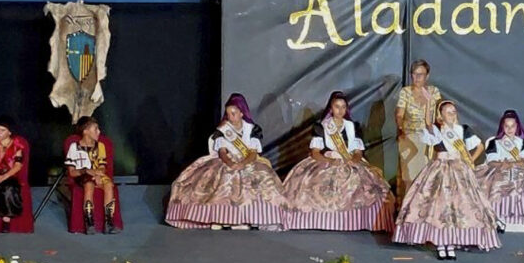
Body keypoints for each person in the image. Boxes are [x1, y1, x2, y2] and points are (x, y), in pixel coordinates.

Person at [393, 100, 499, 259]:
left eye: (453, 111)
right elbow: (428, 125)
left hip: (459, 169)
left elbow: (480, 146)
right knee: (439, 207)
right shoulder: (438, 130)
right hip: (440, 169)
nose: (452, 114)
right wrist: (428, 106)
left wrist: (470, 160)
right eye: (448, 112)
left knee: (459, 205)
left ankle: (452, 242)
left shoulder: (462, 130)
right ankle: (441, 244)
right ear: (441, 115)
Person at [166, 94, 287, 231]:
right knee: (223, 177)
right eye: (228, 113)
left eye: (233, 113)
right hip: (226, 159)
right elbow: (222, 152)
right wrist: (230, 163)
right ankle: (219, 217)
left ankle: (250, 218)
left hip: (248, 160)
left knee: (259, 176)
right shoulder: (223, 130)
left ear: (241, 113)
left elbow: (253, 153)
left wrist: (242, 164)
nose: (230, 117)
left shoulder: (252, 129)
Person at [281, 91, 395, 232]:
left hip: (349, 160)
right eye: (337, 106)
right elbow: (315, 153)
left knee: (370, 186)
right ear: (331, 108)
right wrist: (329, 160)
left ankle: (363, 221)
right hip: (328, 159)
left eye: (343, 107)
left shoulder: (352, 127)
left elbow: (358, 152)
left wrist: (354, 160)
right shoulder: (322, 127)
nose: (340, 110)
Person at [475, 109, 524, 232]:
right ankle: (497, 218)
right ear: (502, 127)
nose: (510, 129)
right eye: (507, 126)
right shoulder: (495, 142)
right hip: (499, 168)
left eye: (512, 126)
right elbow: (491, 161)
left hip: (520, 168)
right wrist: (502, 164)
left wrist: (511, 164)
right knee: (494, 183)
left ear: (517, 127)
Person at [394, 60, 442, 203]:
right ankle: (408, 209)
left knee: (428, 179)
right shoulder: (406, 92)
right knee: (410, 178)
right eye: (414, 74)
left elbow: (440, 114)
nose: (417, 78)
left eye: (421, 74)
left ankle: (425, 209)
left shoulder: (433, 91)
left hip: (429, 139)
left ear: (427, 76)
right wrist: (401, 128)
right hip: (410, 136)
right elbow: (399, 115)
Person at [66, 117, 119, 234]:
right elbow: (72, 172)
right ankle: (89, 222)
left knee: (109, 185)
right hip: (83, 175)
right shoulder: (74, 147)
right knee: (89, 185)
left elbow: (102, 166)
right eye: (95, 129)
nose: (99, 132)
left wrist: (98, 174)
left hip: (97, 174)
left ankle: (109, 222)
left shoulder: (100, 146)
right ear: (85, 131)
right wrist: (86, 171)